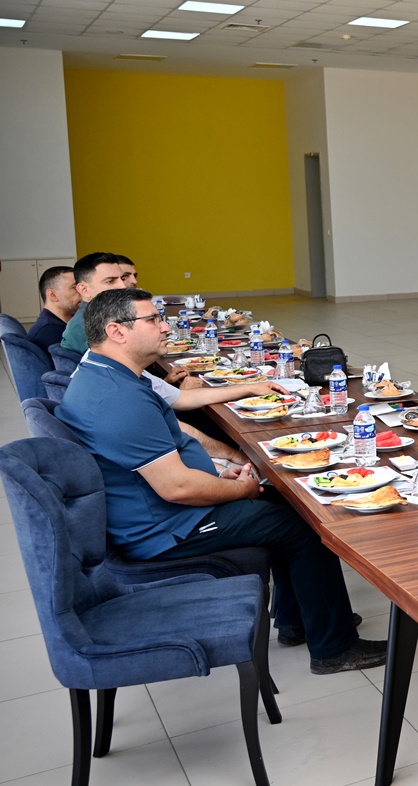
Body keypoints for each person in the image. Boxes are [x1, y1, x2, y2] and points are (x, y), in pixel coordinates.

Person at [58, 288, 387, 674]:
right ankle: (334, 647)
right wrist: (238, 489)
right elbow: (177, 488)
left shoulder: (106, 374)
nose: (164, 327)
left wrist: (217, 475)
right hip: (167, 529)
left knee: (283, 501)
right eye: (153, 320)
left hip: (155, 512)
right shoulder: (118, 399)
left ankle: (299, 620)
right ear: (117, 331)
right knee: (303, 522)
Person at [59, 251, 125, 355]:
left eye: (123, 279)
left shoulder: (110, 315)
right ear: (84, 289)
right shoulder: (81, 328)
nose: (122, 286)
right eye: (110, 281)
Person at [26, 265, 79, 352]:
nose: (82, 292)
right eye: (75, 288)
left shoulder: (62, 325)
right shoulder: (49, 332)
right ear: (53, 295)